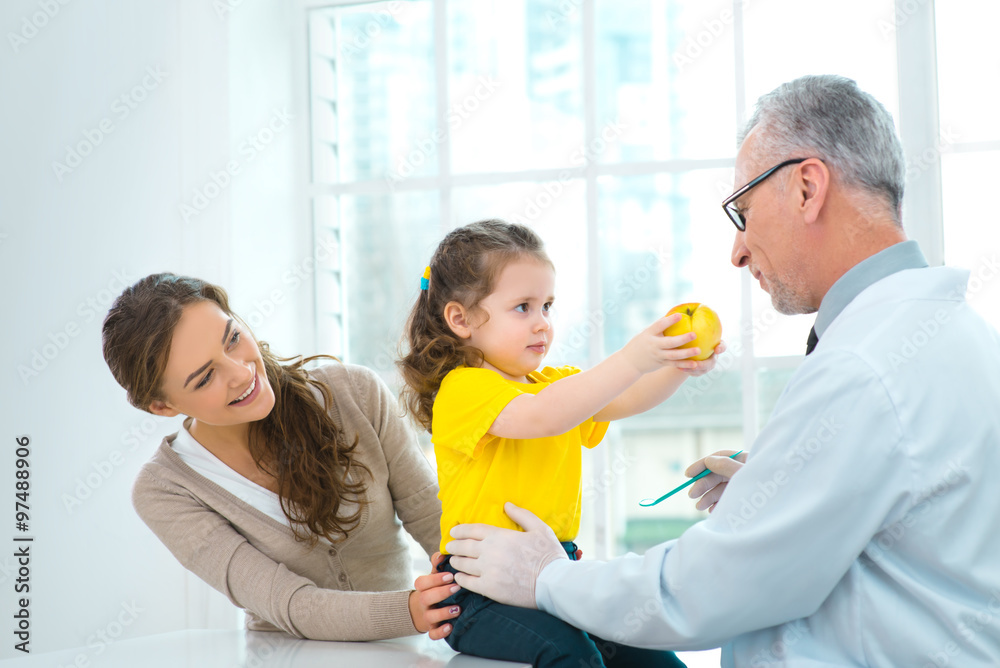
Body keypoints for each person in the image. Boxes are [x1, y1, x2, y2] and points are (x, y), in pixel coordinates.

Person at [435, 75, 1000, 666]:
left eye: (744, 212)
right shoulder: (953, 335)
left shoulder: (864, 367)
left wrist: (548, 577)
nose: (738, 251)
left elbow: (706, 590)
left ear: (808, 188)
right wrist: (783, 489)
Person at [397, 220, 724, 667]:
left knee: (650, 656)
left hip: (555, 570)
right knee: (571, 655)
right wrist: (631, 358)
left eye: (547, 306)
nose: (542, 324)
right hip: (478, 591)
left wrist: (676, 366)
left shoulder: (556, 386)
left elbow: (626, 398)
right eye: (523, 308)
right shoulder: (463, 391)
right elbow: (544, 416)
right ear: (461, 319)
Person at [101, 273, 460, 641]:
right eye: (205, 377)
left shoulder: (355, 393)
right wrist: (413, 611)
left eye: (233, 339)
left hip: (404, 653)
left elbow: (435, 520)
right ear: (162, 406)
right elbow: (292, 604)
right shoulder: (164, 490)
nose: (241, 373)